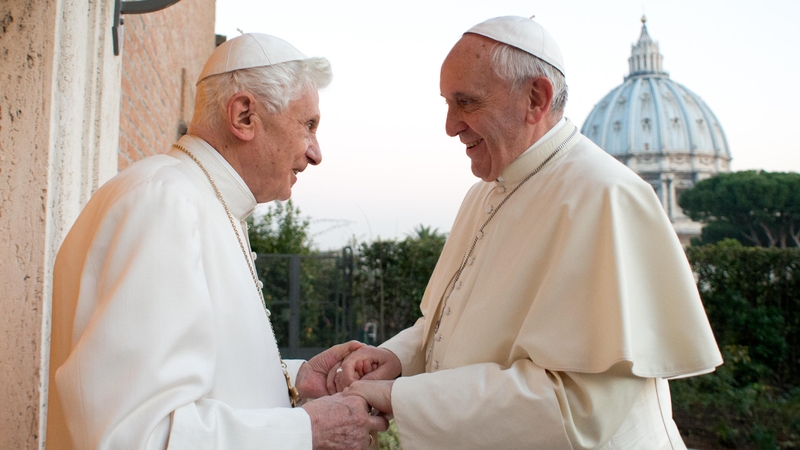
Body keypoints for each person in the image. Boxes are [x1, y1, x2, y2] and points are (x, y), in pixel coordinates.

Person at [335, 16, 723, 450]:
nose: (450, 125)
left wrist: (399, 398)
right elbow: (447, 327)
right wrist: (397, 360)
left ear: (536, 98)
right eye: (447, 103)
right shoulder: (482, 195)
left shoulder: (605, 196)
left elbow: (577, 406)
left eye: (466, 102)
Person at [45, 33, 387, 450]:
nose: (315, 153)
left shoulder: (199, 200)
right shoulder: (165, 203)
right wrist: (307, 431)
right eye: (308, 125)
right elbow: (135, 434)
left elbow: (201, 377)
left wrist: (296, 378)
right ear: (244, 115)